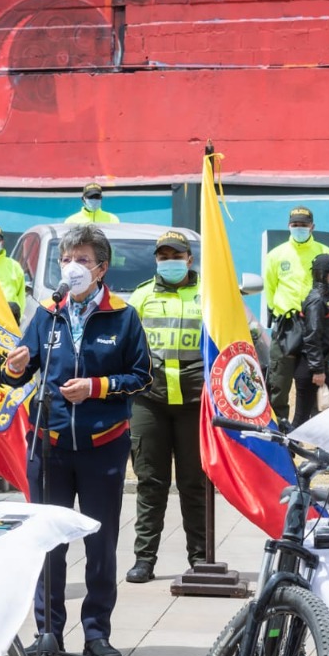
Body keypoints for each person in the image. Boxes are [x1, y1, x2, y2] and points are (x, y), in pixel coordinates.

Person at [2, 224, 150, 656]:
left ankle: (97, 634)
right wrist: (13, 367)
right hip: (48, 445)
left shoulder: (122, 316)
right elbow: (23, 371)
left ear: (101, 268)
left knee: (99, 544)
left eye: (83, 260)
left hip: (103, 445)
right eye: (67, 259)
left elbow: (141, 376)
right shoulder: (48, 313)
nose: (73, 267)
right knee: (49, 542)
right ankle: (48, 632)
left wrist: (97, 386)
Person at [124, 231, 207, 583]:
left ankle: (201, 559)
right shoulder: (141, 296)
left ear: (189, 259)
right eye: (163, 255)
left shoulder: (209, 295)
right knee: (150, 483)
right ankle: (145, 559)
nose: (169, 260)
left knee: (194, 484)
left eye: (176, 255)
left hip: (194, 401)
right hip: (150, 401)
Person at [263, 206, 329, 423]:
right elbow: (271, 289)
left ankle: (316, 439)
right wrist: (284, 314)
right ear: (288, 226)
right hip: (286, 328)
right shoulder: (276, 255)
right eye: (295, 225)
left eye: (304, 225)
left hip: (315, 327)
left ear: (312, 226)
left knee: (317, 384)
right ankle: (280, 437)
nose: (299, 228)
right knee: (278, 385)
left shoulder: (324, 252)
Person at [292, 254, 329, 427]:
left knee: (304, 417)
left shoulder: (328, 297)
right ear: (322, 275)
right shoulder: (317, 300)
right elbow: (312, 336)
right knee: (305, 417)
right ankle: (285, 450)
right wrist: (317, 370)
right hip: (310, 368)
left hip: (317, 365)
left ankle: (322, 451)